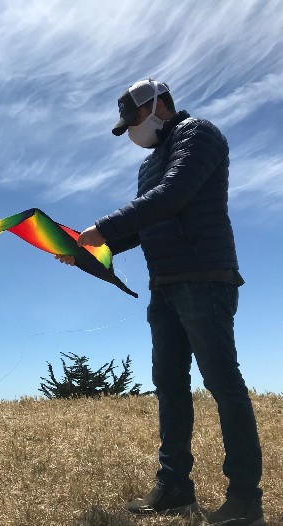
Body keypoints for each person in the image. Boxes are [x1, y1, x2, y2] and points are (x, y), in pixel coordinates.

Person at [58, 79, 264, 525]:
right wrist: (86, 250)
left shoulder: (200, 134)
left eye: (131, 119)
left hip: (205, 277)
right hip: (164, 285)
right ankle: (174, 487)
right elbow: (145, 225)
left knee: (223, 384)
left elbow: (174, 196)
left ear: (156, 104)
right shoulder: (148, 166)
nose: (130, 129)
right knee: (169, 385)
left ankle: (246, 500)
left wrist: (101, 228)